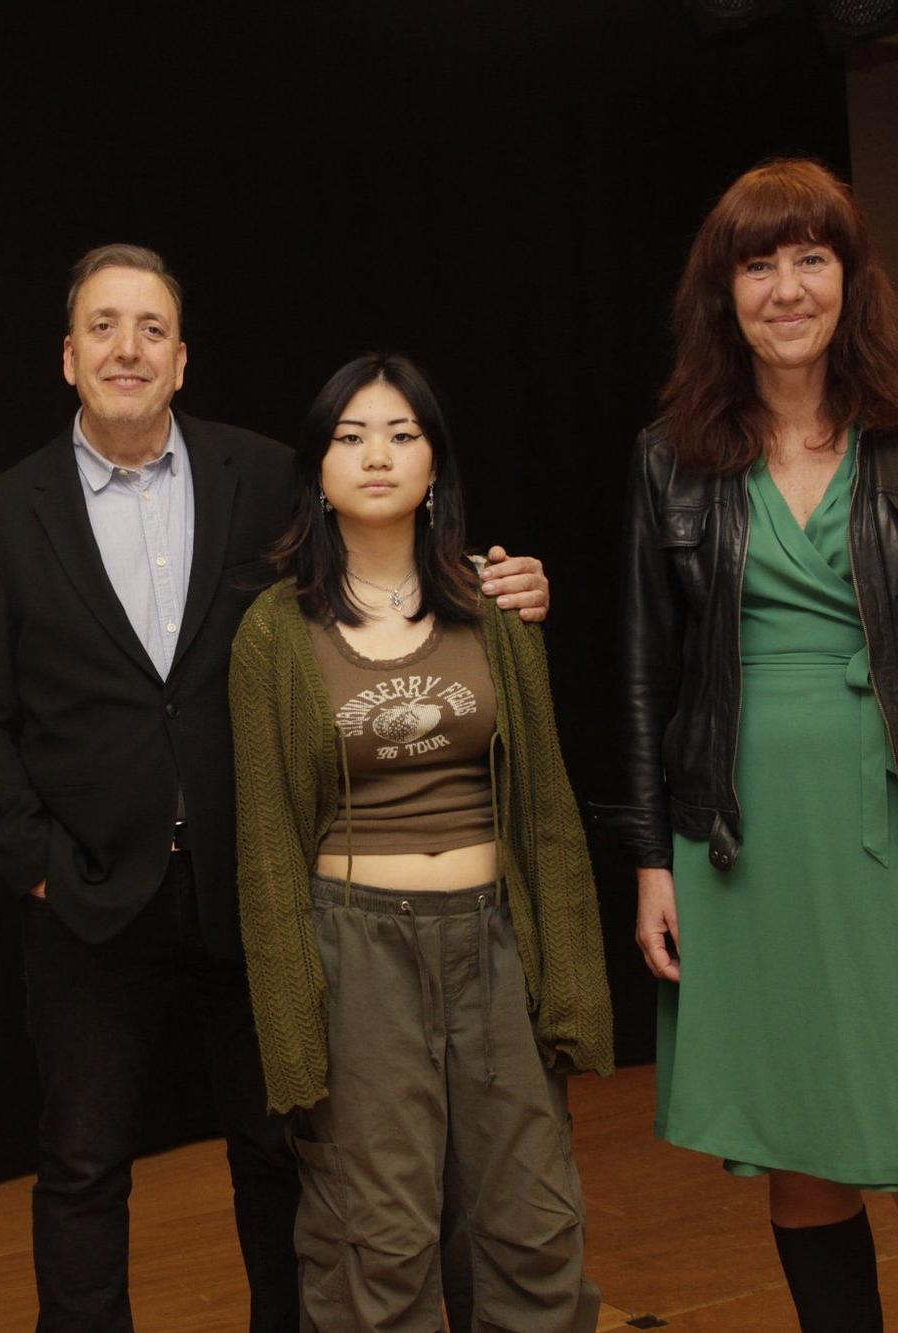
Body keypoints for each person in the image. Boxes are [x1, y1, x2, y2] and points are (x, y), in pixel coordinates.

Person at [0, 246, 553, 1331]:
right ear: (67, 355)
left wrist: (495, 585)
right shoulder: (1, 511)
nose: (126, 347)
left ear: (181, 360)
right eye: (103, 326)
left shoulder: (266, 474)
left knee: (279, 1150)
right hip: (85, 899)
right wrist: (36, 866)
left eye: (151, 329)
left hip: (254, 884)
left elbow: (376, 570)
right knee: (80, 1166)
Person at [601, 159, 898, 1332]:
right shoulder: (666, 457)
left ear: (848, 279)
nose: (783, 287)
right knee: (802, 1160)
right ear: (720, 294)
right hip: (743, 849)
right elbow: (639, 679)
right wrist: (651, 859)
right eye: (756, 263)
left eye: (808, 258)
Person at [230, 352, 611, 1331]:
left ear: (433, 465)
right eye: (349, 436)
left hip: (493, 939)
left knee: (530, 1222)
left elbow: (547, 813)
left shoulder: (495, 604)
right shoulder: (273, 632)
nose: (375, 455)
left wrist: (563, 976)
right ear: (315, 468)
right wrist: (290, 1029)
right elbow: (266, 852)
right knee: (377, 1236)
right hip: (354, 947)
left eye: (401, 434)